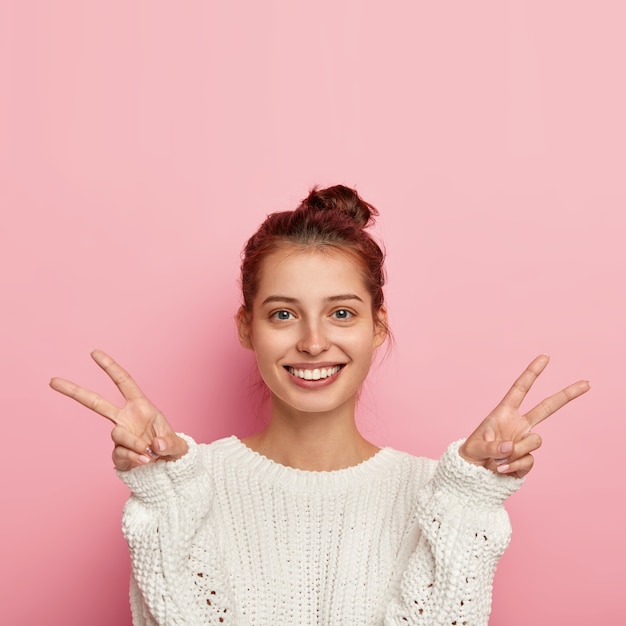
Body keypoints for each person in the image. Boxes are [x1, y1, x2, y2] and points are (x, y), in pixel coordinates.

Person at [50, 185, 589, 625]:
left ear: (378, 326)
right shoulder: (188, 485)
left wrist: (469, 500)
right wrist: (165, 494)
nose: (312, 342)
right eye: (283, 314)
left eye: (342, 314)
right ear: (247, 328)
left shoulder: (439, 496)